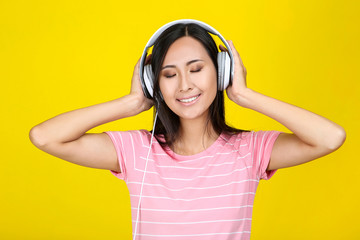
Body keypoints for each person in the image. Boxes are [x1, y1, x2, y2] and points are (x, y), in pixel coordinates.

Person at [29, 20, 346, 240]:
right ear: (155, 84)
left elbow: (331, 138)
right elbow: (44, 136)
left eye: (196, 69)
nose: (185, 85)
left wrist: (245, 96)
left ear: (221, 73)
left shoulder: (250, 150)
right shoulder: (137, 151)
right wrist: (131, 103)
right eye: (169, 74)